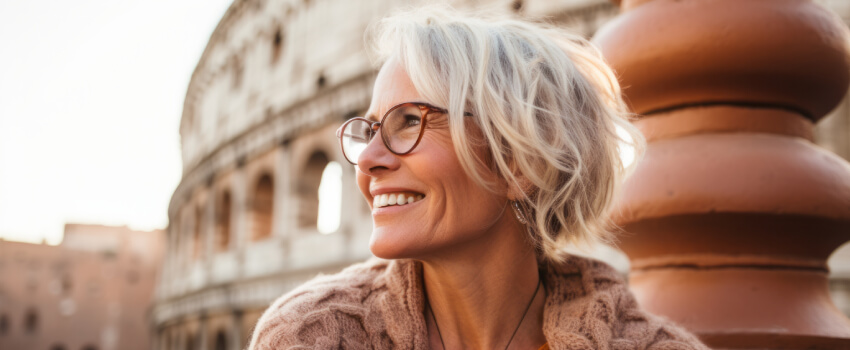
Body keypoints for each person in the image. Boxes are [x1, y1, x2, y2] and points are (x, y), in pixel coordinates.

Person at [248, 6, 709, 350]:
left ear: (521, 164)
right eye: (369, 128)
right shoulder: (308, 335)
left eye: (409, 121)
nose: (367, 159)